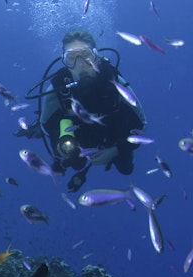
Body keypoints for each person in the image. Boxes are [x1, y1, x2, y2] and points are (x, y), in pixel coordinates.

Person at [18, 29, 146, 192]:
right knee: (75, 163)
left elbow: (141, 122)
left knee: (126, 168)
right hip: (80, 138)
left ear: (96, 57)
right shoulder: (58, 88)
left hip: (114, 134)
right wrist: (60, 144)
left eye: (86, 56)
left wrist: (116, 150)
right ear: (65, 62)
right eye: (71, 58)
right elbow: (46, 125)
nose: (80, 64)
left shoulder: (113, 80)